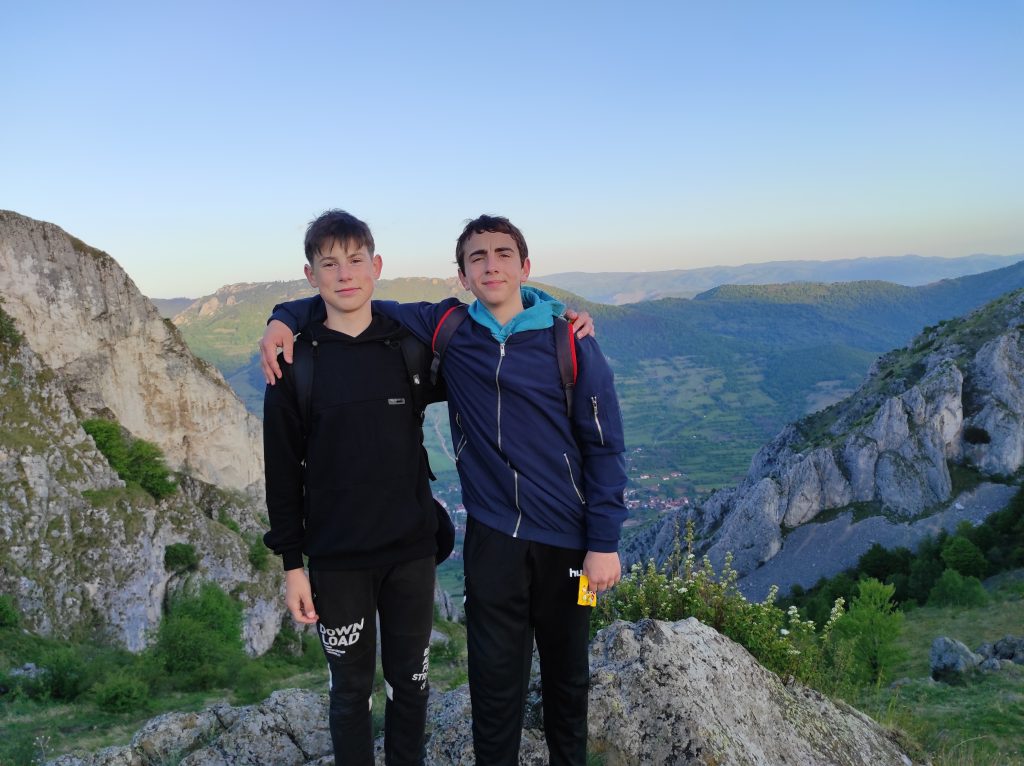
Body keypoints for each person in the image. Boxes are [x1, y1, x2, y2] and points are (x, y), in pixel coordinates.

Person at [261, 215, 628, 766]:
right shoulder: (449, 330)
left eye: (503, 255)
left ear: (525, 267)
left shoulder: (570, 341)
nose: (491, 266)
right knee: (493, 684)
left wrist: (604, 541)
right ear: (462, 275)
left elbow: (605, 445)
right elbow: (349, 302)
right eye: (477, 258)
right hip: (492, 540)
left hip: (573, 547)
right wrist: (281, 317)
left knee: (570, 675)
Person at [262, 209, 444, 766]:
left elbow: (488, 335)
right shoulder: (295, 362)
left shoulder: (409, 347)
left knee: (411, 685)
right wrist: (292, 566)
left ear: (377, 266)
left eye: (355, 260)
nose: (344, 274)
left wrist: (556, 320)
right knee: (350, 692)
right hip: (337, 559)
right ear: (310, 275)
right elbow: (281, 472)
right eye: (329, 264)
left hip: (411, 551)